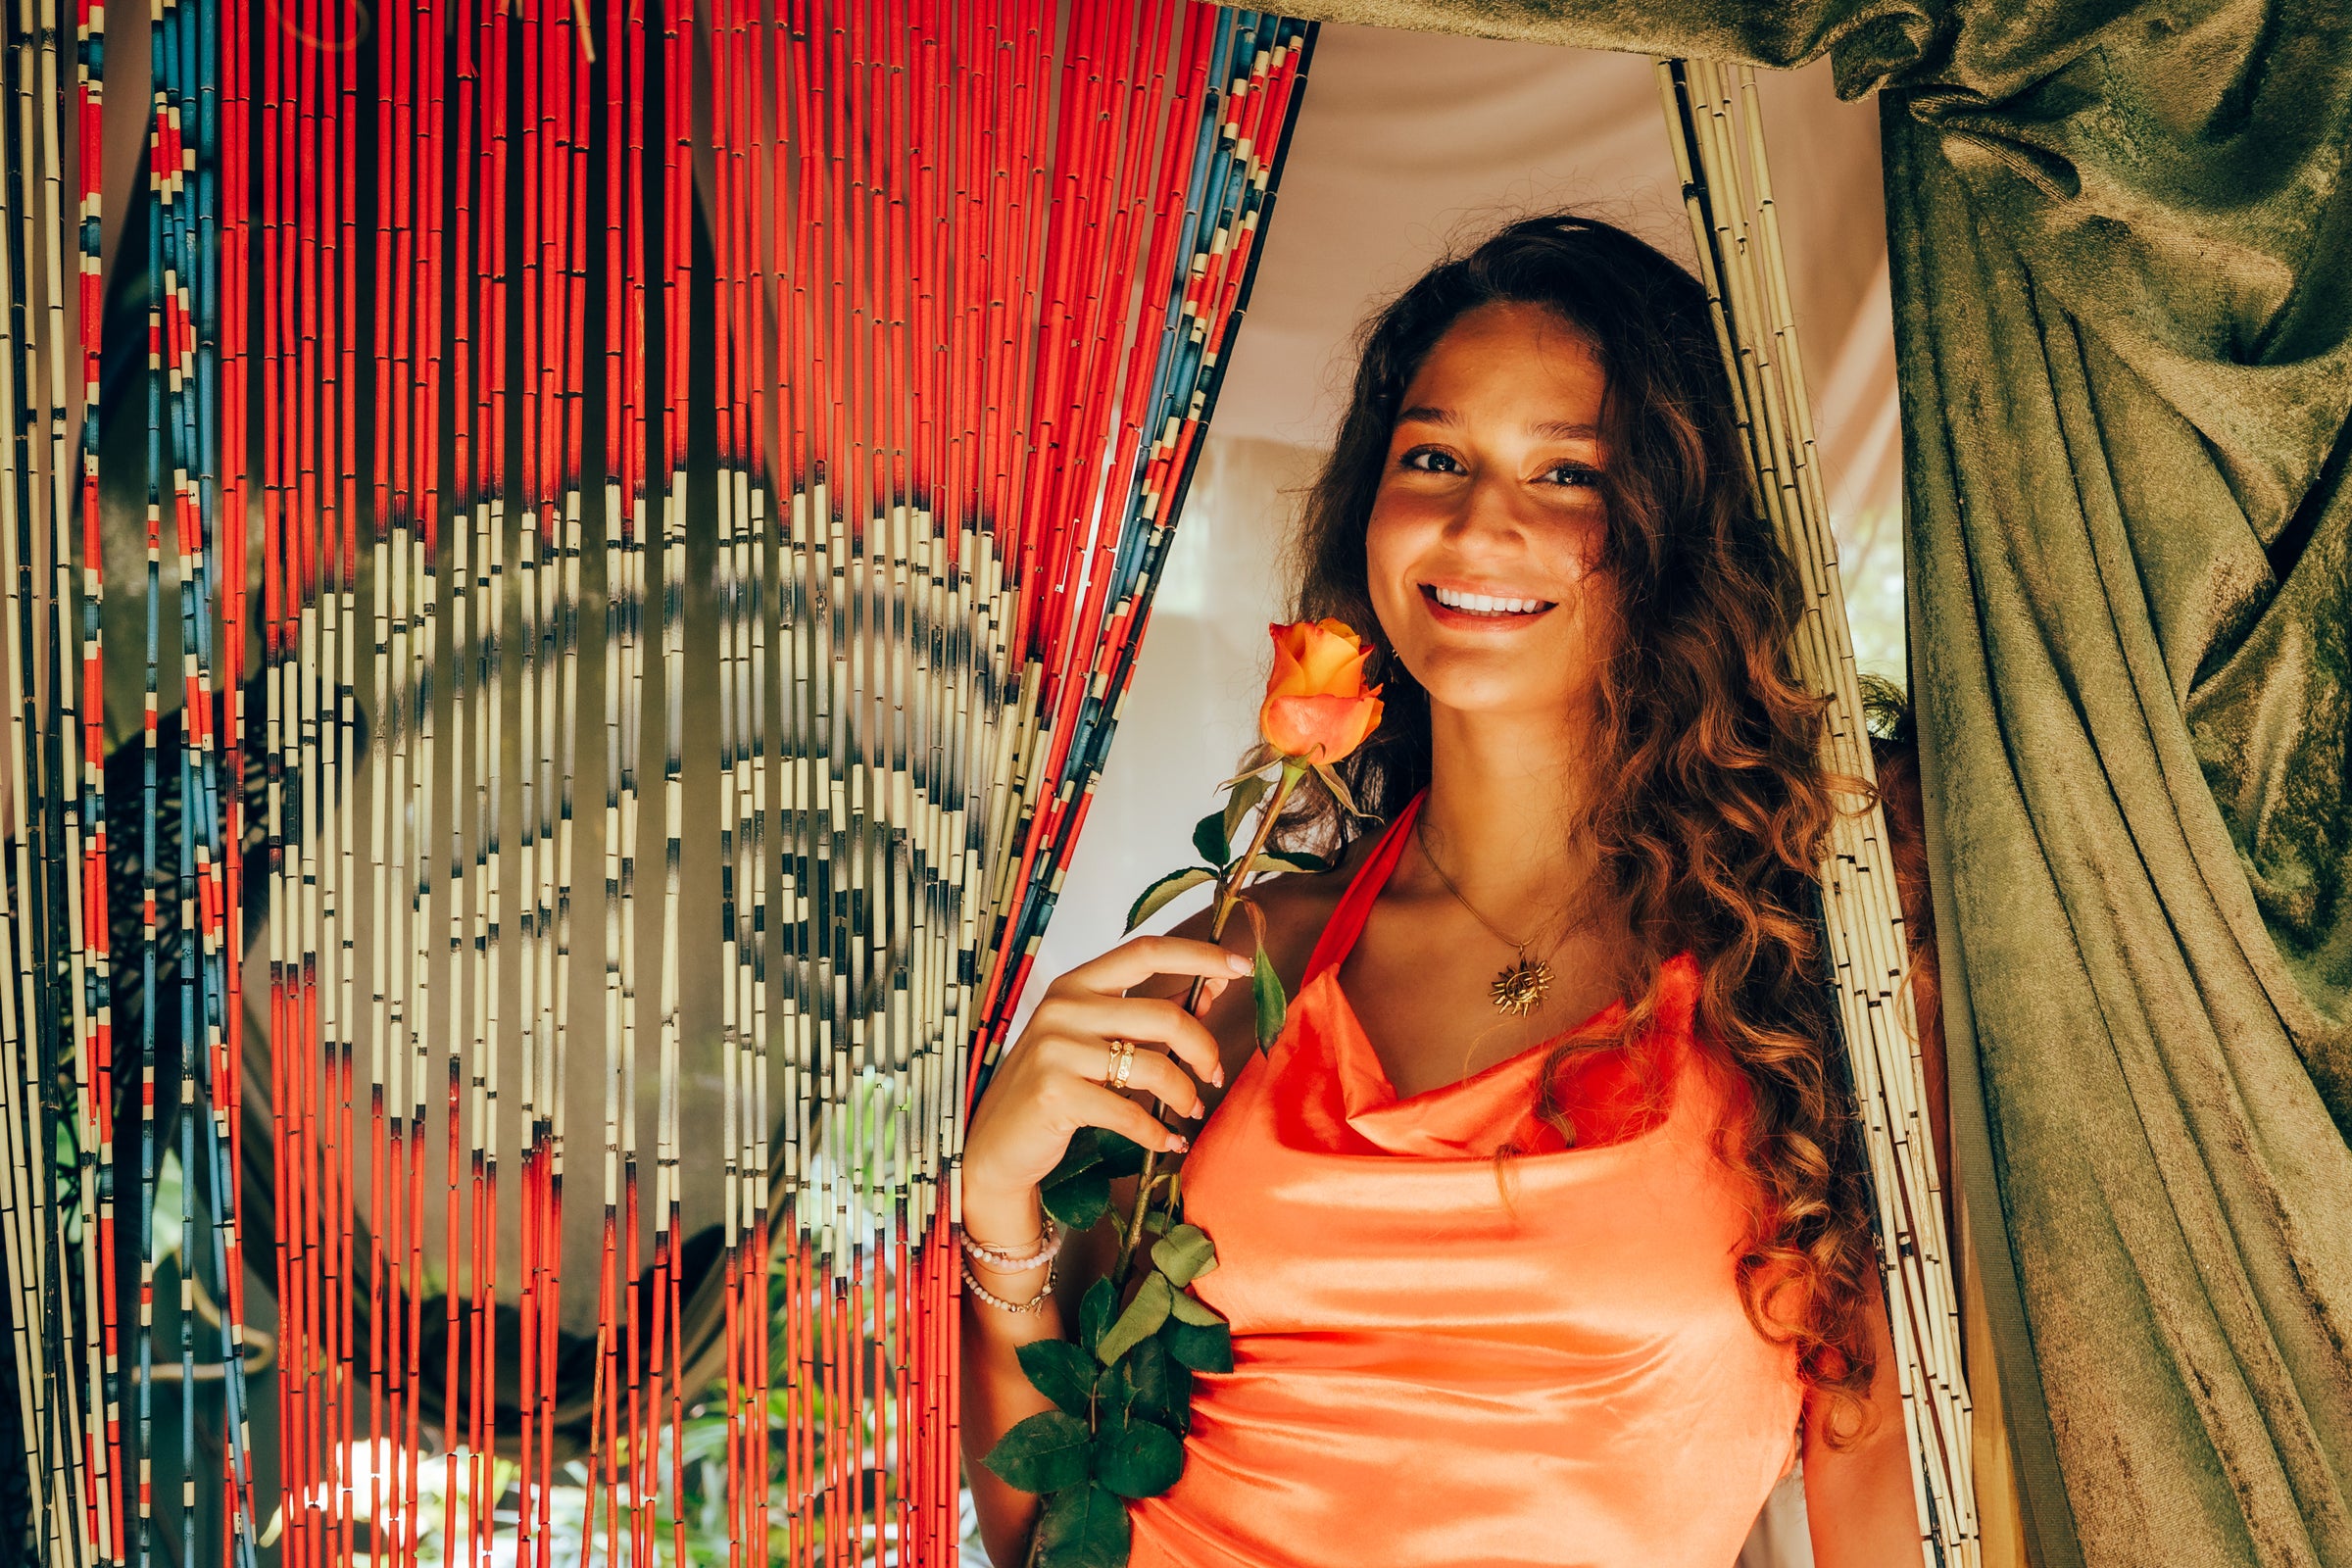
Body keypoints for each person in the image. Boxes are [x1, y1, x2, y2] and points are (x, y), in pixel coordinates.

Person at [957, 213, 1929, 1568]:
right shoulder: (1244, 962)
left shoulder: (1815, 966)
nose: (1483, 521)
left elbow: (1886, 1475)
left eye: (1569, 474)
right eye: (1435, 456)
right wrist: (1001, 1214)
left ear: (1676, 528)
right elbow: (1042, 1537)